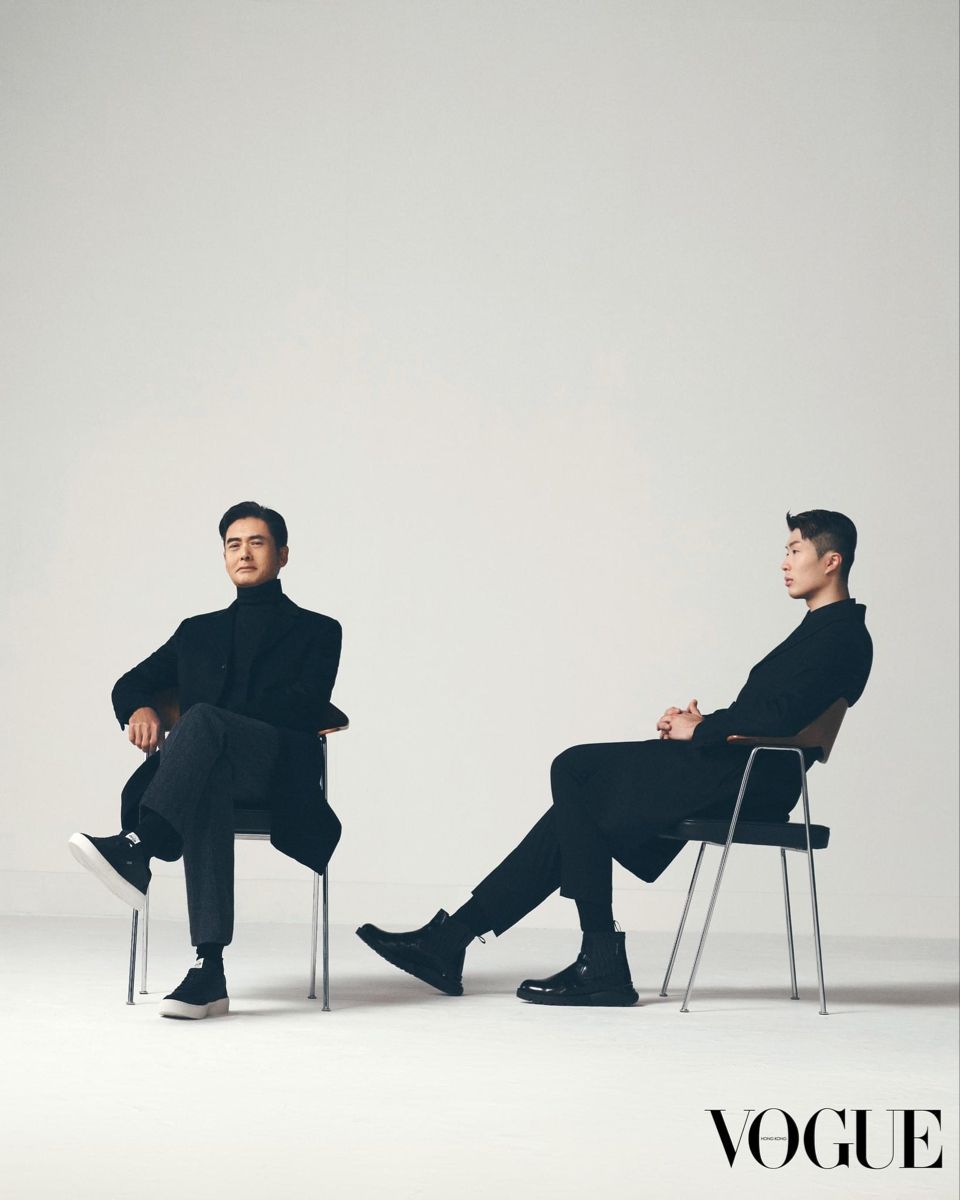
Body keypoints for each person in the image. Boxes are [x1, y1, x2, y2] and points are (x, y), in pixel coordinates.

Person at [357, 509, 873, 1007]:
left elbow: (780, 719)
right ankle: (453, 941)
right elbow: (770, 710)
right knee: (577, 809)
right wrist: (698, 722)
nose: (784, 562)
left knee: (575, 768)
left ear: (831, 561)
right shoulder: (821, 629)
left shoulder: (843, 635)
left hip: (752, 778)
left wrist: (701, 731)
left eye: (795, 550)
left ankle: (596, 958)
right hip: (736, 764)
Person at [69, 501, 343, 1019]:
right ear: (223, 557)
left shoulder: (319, 630)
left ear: (283, 555)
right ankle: (208, 969)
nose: (244, 553)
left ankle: (138, 845)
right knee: (205, 769)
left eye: (257, 542)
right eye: (233, 544)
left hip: (276, 766)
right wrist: (141, 708)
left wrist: (211, 721)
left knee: (202, 722)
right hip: (206, 770)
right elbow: (130, 684)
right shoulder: (196, 632)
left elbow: (305, 703)